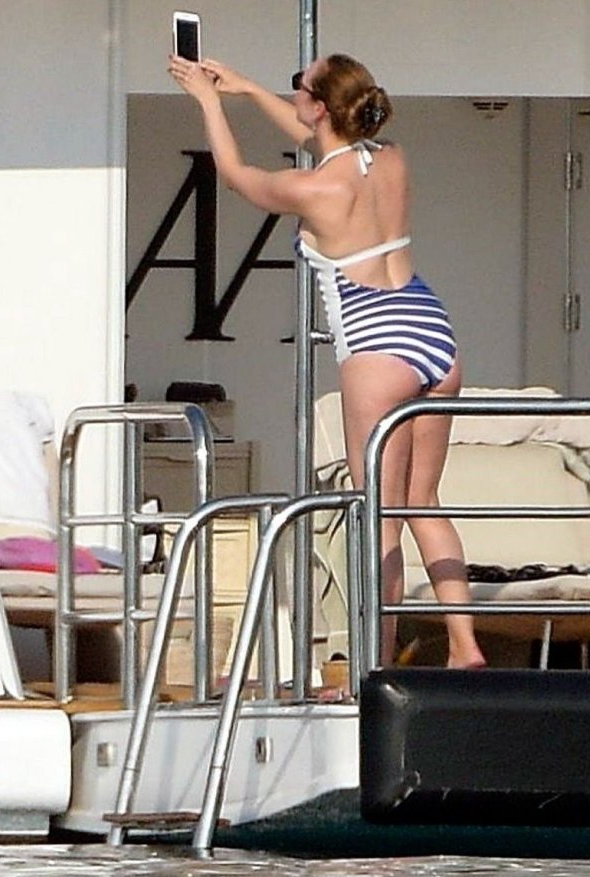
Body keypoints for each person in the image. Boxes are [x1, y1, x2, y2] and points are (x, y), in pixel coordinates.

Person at [169, 51, 486, 670]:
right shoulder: (388, 157)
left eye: (300, 87)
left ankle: (374, 665)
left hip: (377, 341)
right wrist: (249, 89)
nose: (294, 96)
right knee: (423, 501)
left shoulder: (313, 188)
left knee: (378, 518)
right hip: (432, 329)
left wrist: (208, 103)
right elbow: (318, 136)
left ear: (318, 107)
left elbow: (235, 174)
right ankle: (466, 646)